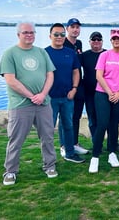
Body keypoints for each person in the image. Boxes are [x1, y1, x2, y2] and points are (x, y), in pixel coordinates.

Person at [0, 22, 58, 185]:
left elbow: (50, 75)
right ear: (18, 34)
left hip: (43, 103)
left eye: (32, 32)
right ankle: (10, 171)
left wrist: (43, 95)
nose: (29, 35)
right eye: (25, 32)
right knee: (16, 139)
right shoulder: (10, 53)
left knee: (47, 136)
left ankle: (50, 165)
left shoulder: (41, 52)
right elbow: (10, 79)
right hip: (20, 105)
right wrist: (32, 96)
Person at [89, 29, 119, 173]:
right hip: (102, 94)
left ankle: (112, 153)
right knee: (102, 124)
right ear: (111, 41)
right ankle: (95, 157)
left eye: (118, 38)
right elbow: (99, 76)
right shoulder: (104, 55)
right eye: (114, 39)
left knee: (114, 125)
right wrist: (109, 92)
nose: (116, 41)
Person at [45, 23, 85, 164]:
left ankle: (70, 153)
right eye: (56, 34)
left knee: (68, 125)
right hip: (50, 98)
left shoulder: (70, 53)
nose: (59, 37)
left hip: (67, 97)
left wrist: (74, 88)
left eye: (62, 34)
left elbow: (76, 71)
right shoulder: (44, 53)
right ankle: (48, 160)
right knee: (48, 130)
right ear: (50, 36)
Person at [63, 17, 89, 156]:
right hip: (67, 86)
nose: (75, 29)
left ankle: (74, 143)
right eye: (72, 27)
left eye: (77, 27)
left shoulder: (78, 43)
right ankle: (64, 145)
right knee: (66, 116)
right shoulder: (63, 43)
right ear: (67, 28)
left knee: (77, 116)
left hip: (78, 85)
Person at [80, 31, 106, 144]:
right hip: (89, 92)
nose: (96, 42)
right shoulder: (84, 56)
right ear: (89, 41)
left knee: (106, 118)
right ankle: (96, 142)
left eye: (98, 39)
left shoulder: (107, 54)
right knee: (92, 119)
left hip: (105, 92)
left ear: (102, 41)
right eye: (93, 39)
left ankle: (112, 142)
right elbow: (73, 70)